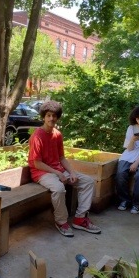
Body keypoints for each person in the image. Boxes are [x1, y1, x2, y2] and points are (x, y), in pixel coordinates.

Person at [28, 100, 101, 237]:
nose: (51, 118)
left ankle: (80, 219)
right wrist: (58, 173)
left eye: (54, 116)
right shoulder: (37, 136)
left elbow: (61, 158)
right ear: (43, 117)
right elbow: (36, 163)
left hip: (58, 170)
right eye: (48, 115)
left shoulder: (57, 134)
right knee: (59, 188)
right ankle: (61, 221)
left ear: (58, 117)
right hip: (41, 173)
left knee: (88, 182)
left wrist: (72, 172)